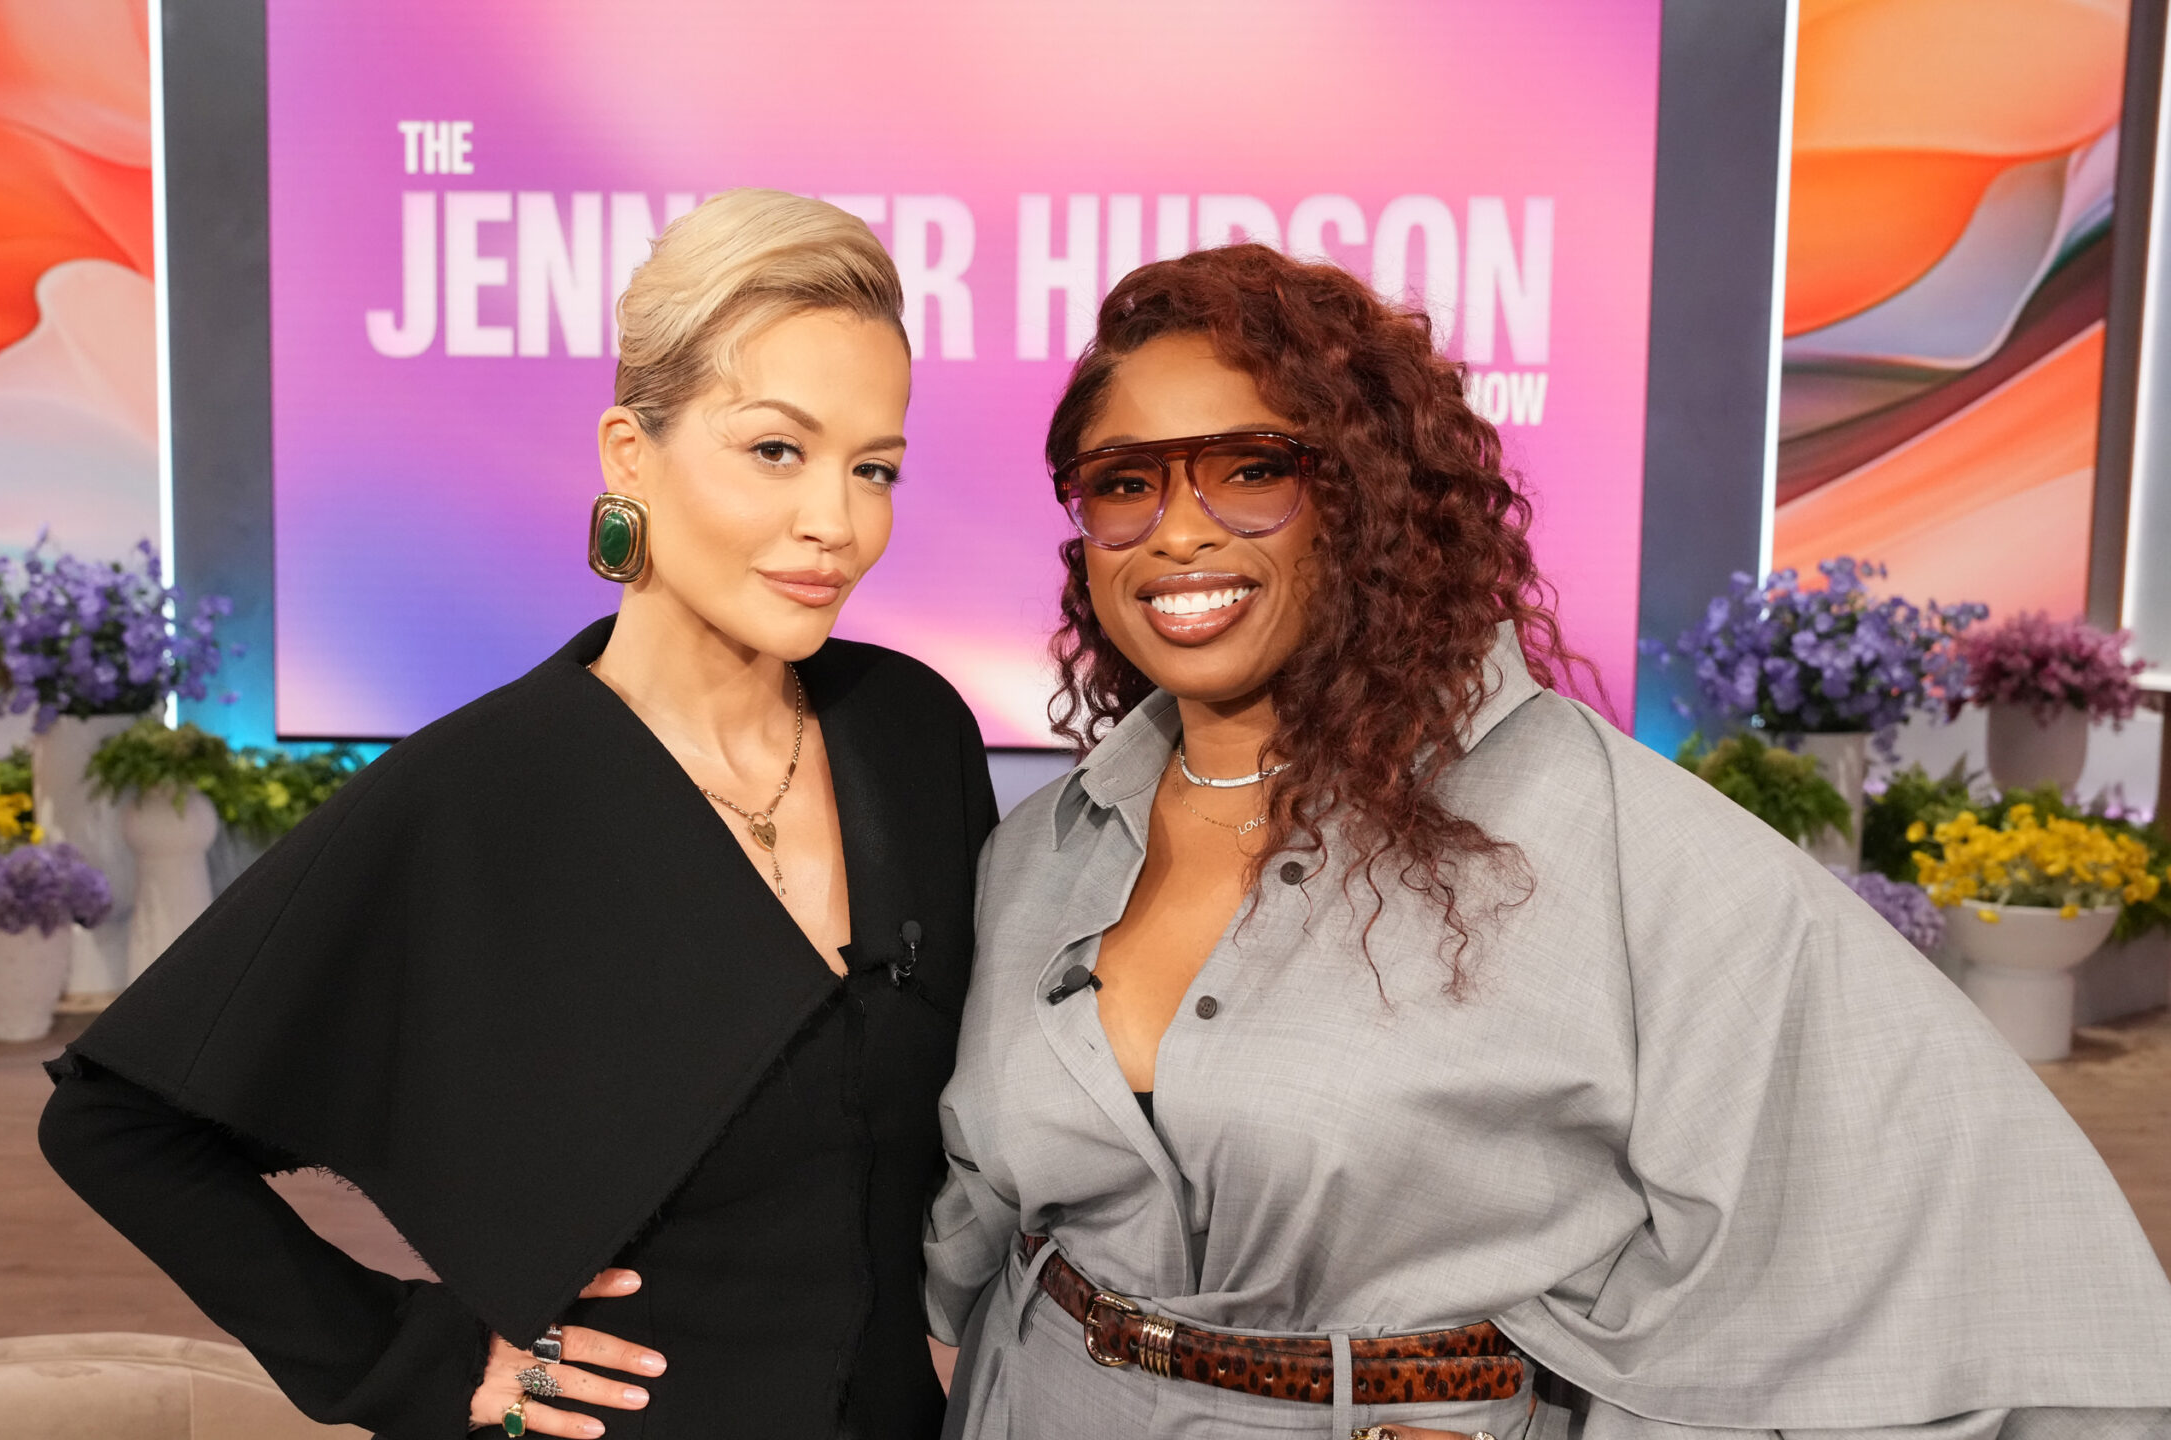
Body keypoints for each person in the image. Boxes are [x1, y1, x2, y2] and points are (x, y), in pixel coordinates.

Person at [923, 245, 2171, 1440]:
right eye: (1124, 482)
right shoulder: (1042, 849)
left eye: (1251, 469)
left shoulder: (1604, 836)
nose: (1177, 531)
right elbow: (973, 1210)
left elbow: (1969, 1234)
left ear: (1365, 497)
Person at [39, 189, 996, 1440]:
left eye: (874, 469)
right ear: (629, 455)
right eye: (776, 450)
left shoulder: (910, 730)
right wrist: (412, 1359)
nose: (837, 524)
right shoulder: (483, 787)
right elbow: (114, 1125)